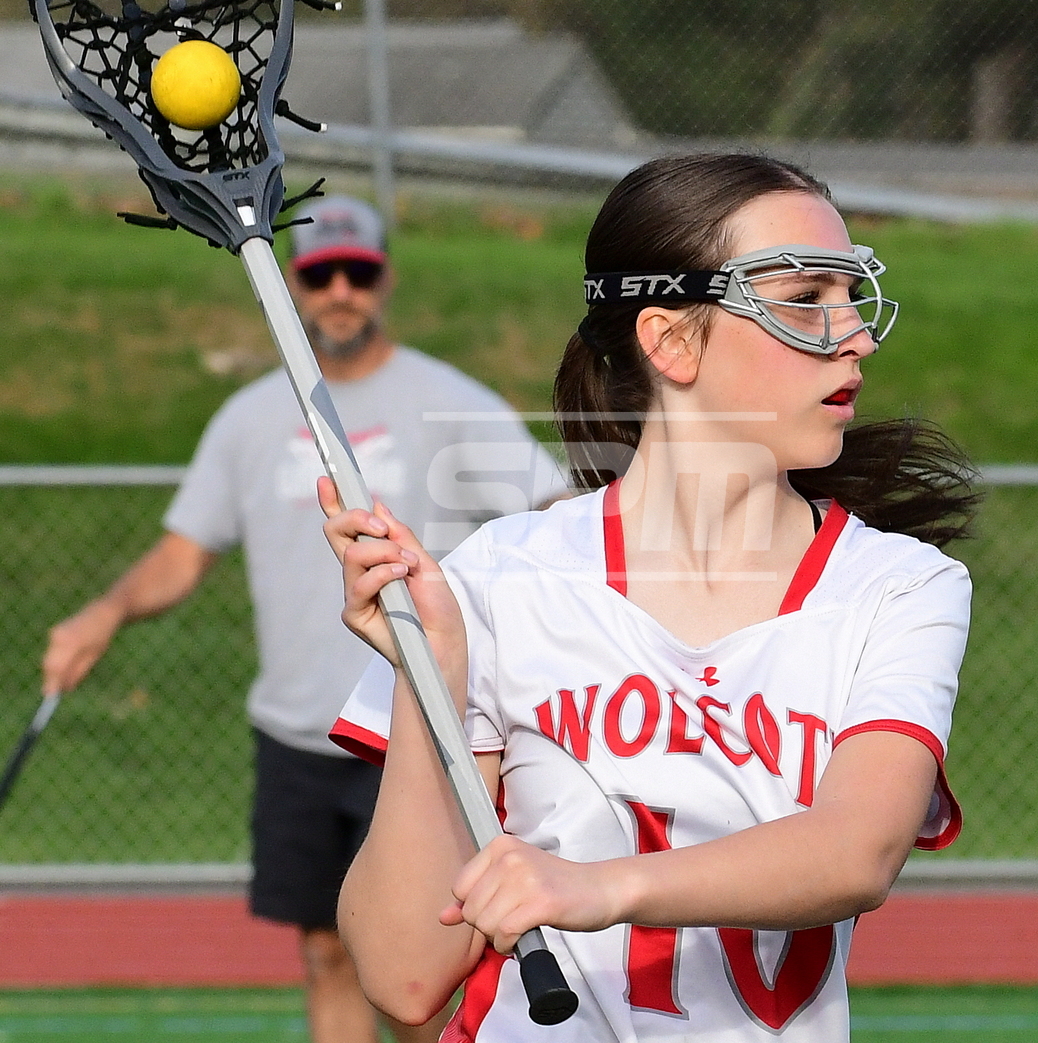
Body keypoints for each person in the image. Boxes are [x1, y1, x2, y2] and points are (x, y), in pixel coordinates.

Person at [321, 155, 980, 1042]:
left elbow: (856, 851)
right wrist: (429, 676)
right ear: (670, 343)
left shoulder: (899, 587)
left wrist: (599, 889)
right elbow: (403, 975)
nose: (856, 335)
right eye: (804, 298)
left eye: (851, 296)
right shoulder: (499, 578)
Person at [41, 195, 566, 1043]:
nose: (341, 292)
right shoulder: (248, 418)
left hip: (422, 738)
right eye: (322, 275)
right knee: (326, 953)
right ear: (293, 284)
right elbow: (182, 554)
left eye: (359, 272)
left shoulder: (450, 402)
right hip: (296, 736)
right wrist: (102, 614)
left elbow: (553, 518)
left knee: (426, 980)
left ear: (384, 280)